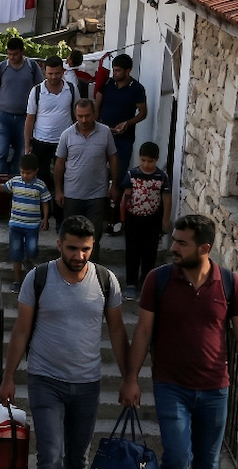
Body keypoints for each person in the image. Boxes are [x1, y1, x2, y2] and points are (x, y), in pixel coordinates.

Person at [0, 216, 129, 469]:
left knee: (78, 459)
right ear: (59, 244)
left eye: (85, 249)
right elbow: (21, 330)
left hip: (87, 384)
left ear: (93, 246)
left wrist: (129, 378)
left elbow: (118, 330)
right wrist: (9, 378)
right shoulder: (38, 278)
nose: (78, 256)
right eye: (72, 248)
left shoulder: (106, 281)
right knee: (50, 456)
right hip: (45, 381)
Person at [121, 215, 238, 469]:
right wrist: (131, 378)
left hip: (216, 389)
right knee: (176, 458)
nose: (173, 246)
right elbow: (144, 331)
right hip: (171, 386)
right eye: (174, 239)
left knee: (208, 465)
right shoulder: (158, 279)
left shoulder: (229, 283)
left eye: (181, 242)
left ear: (204, 248)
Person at [54, 99, 118, 256]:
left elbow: (113, 158)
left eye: (87, 116)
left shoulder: (105, 133)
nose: (83, 120)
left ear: (94, 114)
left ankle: (93, 273)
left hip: (97, 195)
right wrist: (58, 190)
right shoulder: (66, 135)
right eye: (80, 116)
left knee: (94, 236)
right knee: (71, 235)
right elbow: (59, 164)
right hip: (72, 195)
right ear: (75, 115)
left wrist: (115, 185)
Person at [96, 54, 148, 234]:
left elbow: (143, 112)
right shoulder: (108, 84)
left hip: (123, 138)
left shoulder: (137, 89)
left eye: (118, 71)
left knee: (118, 179)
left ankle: (115, 221)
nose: (115, 73)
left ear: (128, 71)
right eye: (114, 70)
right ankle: (98, 215)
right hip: (103, 135)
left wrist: (128, 123)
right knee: (98, 172)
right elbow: (98, 102)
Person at [24, 56, 78, 225]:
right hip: (40, 141)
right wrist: (27, 145)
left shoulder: (71, 88)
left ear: (63, 71)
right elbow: (30, 119)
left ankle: (61, 215)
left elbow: (77, 115)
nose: (53, 77)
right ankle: (42, 214)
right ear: (45, 72)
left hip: (64, 142)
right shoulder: (37, 91)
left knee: (63, 178)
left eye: (57, 73)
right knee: (41, 178)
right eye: (50, 73)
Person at [0, 153, 52, 292]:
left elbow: (45, 202)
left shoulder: (40, 186)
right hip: (16, 224)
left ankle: (28, 260)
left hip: (32, 225)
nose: (25, 175)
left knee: (32, 249)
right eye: (22, 172)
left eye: (28, 173)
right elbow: (4, 188)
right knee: (16, 253)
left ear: (36, 171)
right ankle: (17, 280)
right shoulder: (15, 181)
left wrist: (45, 219)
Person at [0, 37, 43, 176]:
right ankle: (1, 183)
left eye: (15, 54)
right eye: (9, 54)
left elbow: (40, 91)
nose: (11, 57)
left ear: (22, 51)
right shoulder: (2, 67)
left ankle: (17, 184)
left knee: (21, 154)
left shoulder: (32, 67)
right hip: (4, 116)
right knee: (0, 153)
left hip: (25, 118)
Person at [119, 142, 171, 297]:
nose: (146, 164)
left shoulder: (161, 177)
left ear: (157, 160)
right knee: (132, 251)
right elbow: (126, 196)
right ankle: (131, 283)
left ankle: (147, 283)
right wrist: (121, 218)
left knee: (150, 252)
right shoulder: (132, 174)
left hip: (153, 219)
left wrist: (165, 219)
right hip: (133, 219)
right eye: (143, 160)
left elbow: (166, 198)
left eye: (150, 161)